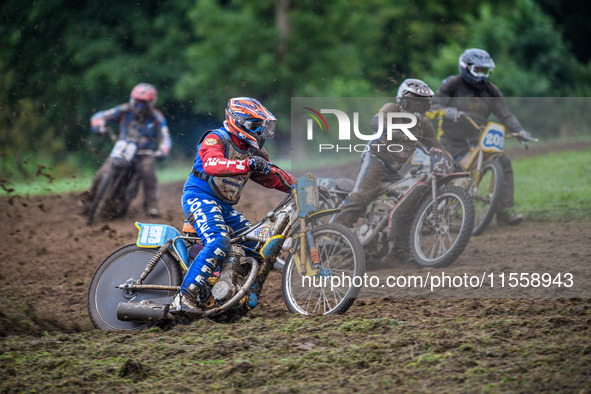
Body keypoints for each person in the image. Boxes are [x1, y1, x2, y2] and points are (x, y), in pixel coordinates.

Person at [171, 97, 295, 314]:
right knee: (218, 240)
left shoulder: (253, 151)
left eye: (262, 127)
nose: (260, 132)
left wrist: (299, 185)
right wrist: (245, 163)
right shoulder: (215, 138)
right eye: (255, 126)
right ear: (238, 121)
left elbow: (273, 176)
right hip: (199, 197)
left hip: (225, 206)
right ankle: (184, 297)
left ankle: (223, 290)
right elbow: (212, 164)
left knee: (253, 244)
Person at [429, 48, 530, 225]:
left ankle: (505, 212)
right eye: (478, 70)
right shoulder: (452, 84)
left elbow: (506, 115)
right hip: (449, 142)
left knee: (503, 162)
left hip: (477, 144)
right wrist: (445, 111)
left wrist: (519, 131)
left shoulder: (491, 91)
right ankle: (431, 213)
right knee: (441, 172)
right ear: (466, 68)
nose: (482, 76)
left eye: (485, 71)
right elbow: (431, 108)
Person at [332, 78, 451, 228]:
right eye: (415, 102)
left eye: (422, 104)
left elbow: (435, 145)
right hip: (376, 158)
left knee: (408, 203)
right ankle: (332, 235)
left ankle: (399, 249)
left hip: (393, 170)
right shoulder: (391, 109)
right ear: (403, 101)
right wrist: (389, 130)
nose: (418, 108)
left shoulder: (424, 125)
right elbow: (376, 121)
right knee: (361, 197)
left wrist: (448, 159)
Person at [80, 83, 171, 217]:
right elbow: (101, 116)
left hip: (143, 154)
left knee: (148, 173)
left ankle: (151, 205)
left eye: (144, 103)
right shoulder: (124, 110)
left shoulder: (157, 117)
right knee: (102, 173)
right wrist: (99, 126)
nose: (140, 107)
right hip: (123, 148)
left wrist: (162, 151)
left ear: (151, 103)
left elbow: (165, 137)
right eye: (137, 102)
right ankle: (88, 200)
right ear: (132, 100)